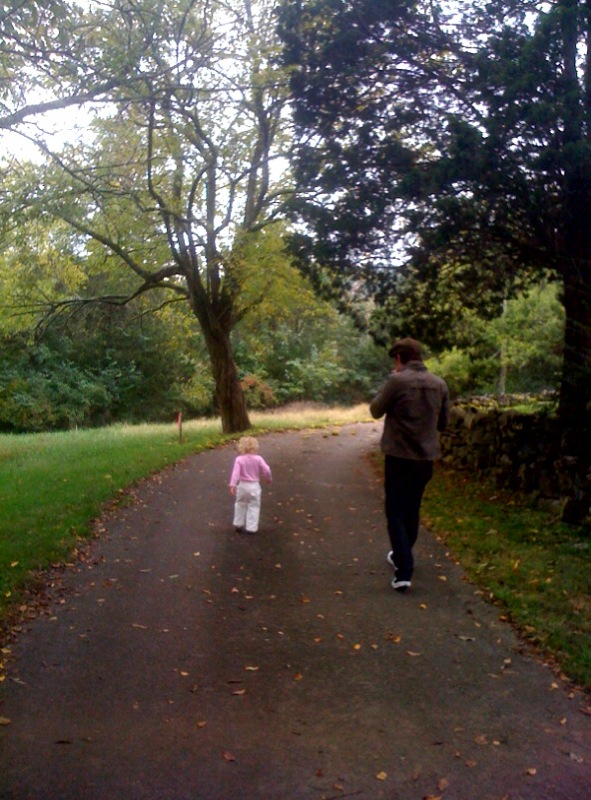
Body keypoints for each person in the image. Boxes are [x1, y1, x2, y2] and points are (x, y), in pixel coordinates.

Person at [370, 337, 449, 592]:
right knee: (412, 509)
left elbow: (375, 410)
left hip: (398, 456)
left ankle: (404, 570)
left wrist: (390, 383)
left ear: (399, 358)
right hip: (425, 458)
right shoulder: (439, 384)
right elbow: (443, 423)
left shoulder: (397, 381)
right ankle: (401, 555)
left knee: (394, 511)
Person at [229, 436, 272, 534]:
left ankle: (238, 524)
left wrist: (233, 484)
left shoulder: (239, 459)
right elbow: (267, 470)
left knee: (240, 504)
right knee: (254, 505)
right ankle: (251, 528)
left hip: (242, 485)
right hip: (254, 486)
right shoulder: (258, 459)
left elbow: (235, 473)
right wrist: (268, 478)